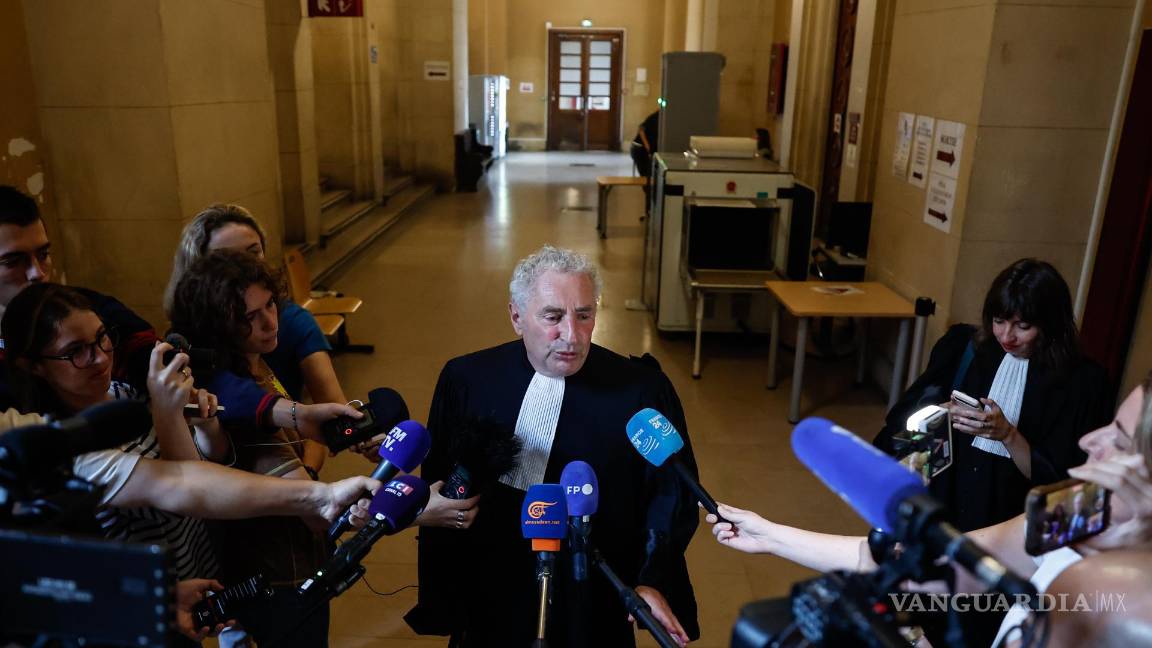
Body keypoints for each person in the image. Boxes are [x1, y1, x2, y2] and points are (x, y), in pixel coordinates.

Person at [707, 373, 1152, 647]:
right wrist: (770, 535)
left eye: (1119, 438)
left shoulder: (1135, 594)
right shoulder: (1081, 509)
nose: (1090, 441)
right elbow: (938, 561)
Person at [401, 244, 699, 647]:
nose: (571, 336)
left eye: (584, 315)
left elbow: (671, 496)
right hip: (493, 575)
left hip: (595, 582)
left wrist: (650, 579)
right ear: (516, 317)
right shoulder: (467, 379)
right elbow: (442, 481)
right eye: (553, 317)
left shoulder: (642, 390)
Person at [0, 282, 378, 583]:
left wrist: (206, 423)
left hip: (196, 574)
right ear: (33, 367)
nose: (101, 357)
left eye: (103, 337)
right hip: (147, 599)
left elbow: (203, 461)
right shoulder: (61, 447)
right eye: (76, 351)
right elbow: (182, 485)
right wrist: (319, 494)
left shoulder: (124, 394)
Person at [0, 185, 355, 443]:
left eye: (43, 254)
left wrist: (298, 418)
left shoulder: (93, 309)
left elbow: (185, 374)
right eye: (14, 261)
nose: (37, 273)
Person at [168, 251, 332, 647]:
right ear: (219, 325)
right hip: (280, 577)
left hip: (290, 568)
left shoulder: (255, 365)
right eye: (248, 317)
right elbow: (315, 515)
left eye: (270, 305)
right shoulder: (237, 398)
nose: (270, 323)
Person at [874, 258, 1112, 532]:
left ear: (1051, 324)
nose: (1007, 336)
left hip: (1015, 526)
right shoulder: (964, 348)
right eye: (999, 321)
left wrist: (1008, 435)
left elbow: (1070, 490)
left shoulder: (1083, 383)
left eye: (1023, 326)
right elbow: (900, 436)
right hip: (944, 508)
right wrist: (940, 415)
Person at [164, 203, 347, 477]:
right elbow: (224, 391)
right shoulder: (193, 353)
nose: (242, 268)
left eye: (253, 252)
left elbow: (327, 413)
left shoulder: (287, 323)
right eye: (226, 258)